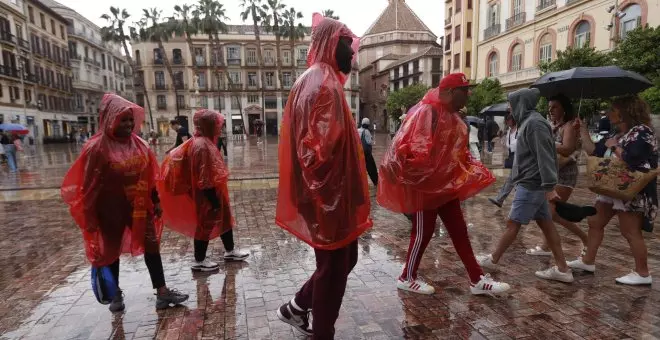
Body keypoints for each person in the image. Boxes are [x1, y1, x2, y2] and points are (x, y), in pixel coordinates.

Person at [274, 16, 372, 339]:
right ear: (331, 43)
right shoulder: (323, 85)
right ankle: (322, 332)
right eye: (346, 42)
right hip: (328, 200)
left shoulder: (320, 80)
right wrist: (332, 201)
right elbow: (316, 154)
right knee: (332, 270)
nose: (352, 49)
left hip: (330, 198)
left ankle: (297, 306)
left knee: (345, 259)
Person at [378, 73, 510, 296]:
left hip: (444, 187)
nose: (468, 95)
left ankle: (477, 279)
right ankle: (406, 276)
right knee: (423, 231)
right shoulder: (427, 112)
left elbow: (455, 153)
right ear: (448, 92)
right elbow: (410, 148)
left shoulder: (454, 118)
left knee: (459, 230)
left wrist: (469, 170)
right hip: (424, 187)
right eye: (463, 90)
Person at [60, 94, 189, 312]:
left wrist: (155, 200)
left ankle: (162, 292)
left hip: (139, 206)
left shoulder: (139, 145)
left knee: (151, 245)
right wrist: (89, 216)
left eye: (131, 119)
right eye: (123, 119)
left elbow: (149, 176)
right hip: (109, 210)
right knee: (110, 251)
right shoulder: (97, 148)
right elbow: (89, 186)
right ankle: (115, 294)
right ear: (110, 119)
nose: (129, 124)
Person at [476, 89, 573, 283]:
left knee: (513, 224)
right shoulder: (529, 122)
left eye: (511, 103)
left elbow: (545, 156)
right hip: (532, 183)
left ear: (521, 103)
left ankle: (493, 259)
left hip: (532, 184)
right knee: (547, 226)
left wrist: (548, 186)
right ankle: (563, 269)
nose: (509, 107)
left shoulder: (535, 124)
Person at [568, 96, 657, 285]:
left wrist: (614, 147)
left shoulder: (642, 132)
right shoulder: (618, 134)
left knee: (630, 231)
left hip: (631, 190)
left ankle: (642, 273)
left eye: (613, 109)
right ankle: (587, 261)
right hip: (611, 188)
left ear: (625, 112)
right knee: (595, 222)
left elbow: (633, 159)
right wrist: (582, 131)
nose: (609, 113)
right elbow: (594, 151)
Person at [158, 109, 248, 272]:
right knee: (205, 224)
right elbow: (205, 177)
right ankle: (199, 260)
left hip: (214, 191)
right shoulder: (202, 146)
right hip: (207, 193)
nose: (219, 127)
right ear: (208, 125)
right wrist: (213, 200)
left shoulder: (204, 142)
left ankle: (230, 251)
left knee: (224, 220)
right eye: (217, 124)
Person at [526, 95, 588, 256]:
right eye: (550, 107)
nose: (550, 110)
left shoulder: (569, 126)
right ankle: (546, 246)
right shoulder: (553, 126)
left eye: (555, 107)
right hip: (552, 173)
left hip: (565, 174)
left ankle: (584, 238)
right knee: (549, 212)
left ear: (564, 109)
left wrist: (547, 142)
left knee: (550, 212)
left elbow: (568, 148)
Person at [489, 114, 518, 207]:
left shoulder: (519, 129)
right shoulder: (509, 131)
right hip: (513, 156)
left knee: (512, 179)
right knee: (515, 179)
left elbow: (518, 143)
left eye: (509, 120)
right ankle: (503, 199)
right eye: (507, 120)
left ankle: (500, 199)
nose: (508, 122)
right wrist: (501, 136)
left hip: (520, 156)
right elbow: (506, 145)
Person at [358, 117, 378, 186]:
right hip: (366, 153)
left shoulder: (357, 130)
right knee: (371, 167)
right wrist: (372, 140)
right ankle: (376, 181)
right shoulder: (366, 131)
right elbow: (369, 142)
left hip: (358, 153)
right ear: (367, 125)